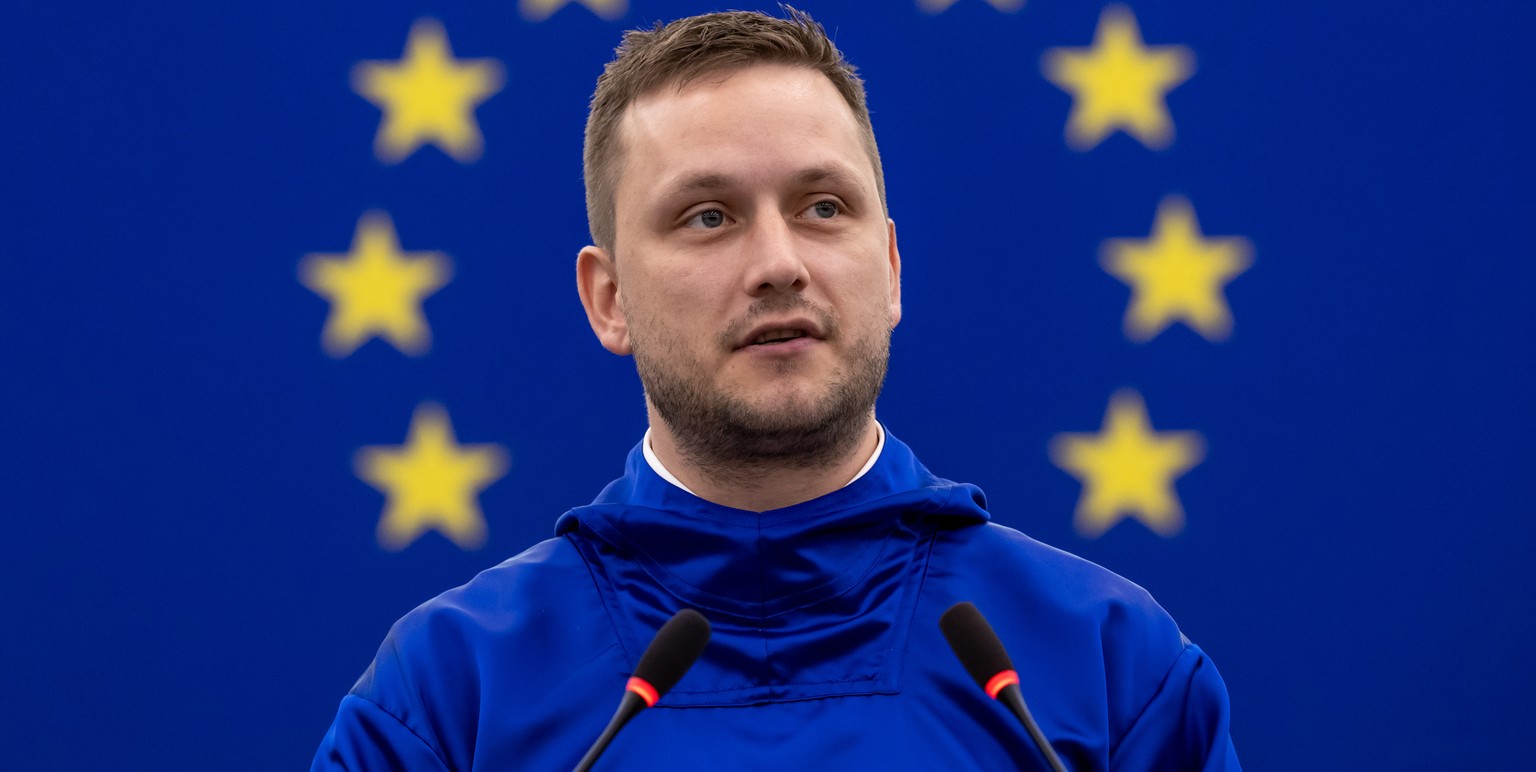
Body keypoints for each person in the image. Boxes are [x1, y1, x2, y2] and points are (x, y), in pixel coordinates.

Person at [313, 8, 1240, 770]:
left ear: (890, 268)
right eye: (708, 217)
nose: (778, 263)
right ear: (609, 299)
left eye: (823, 207)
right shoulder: (450, 695)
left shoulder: (1107, 665)